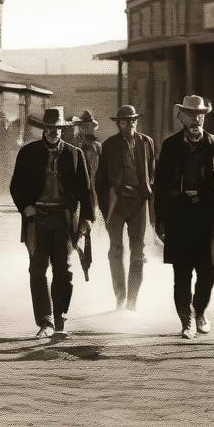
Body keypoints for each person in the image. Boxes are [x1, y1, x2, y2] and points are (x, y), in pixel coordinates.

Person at [154, 95, 214, 340]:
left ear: (204, 117)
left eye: (199, 115)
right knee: (182, 271)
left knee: (210, 270)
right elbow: (160, 185)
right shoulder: (170, 146)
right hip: (179, 214)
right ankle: (186, 321)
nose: (195, 120)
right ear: (182, 117)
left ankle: (199, 311)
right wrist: (160, 220)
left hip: (206, 215)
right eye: (190, 115)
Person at [9, 106, 95, 339]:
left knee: (64, 271)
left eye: (57, 128)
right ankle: (45, 322)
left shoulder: (74, 154)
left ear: (62, 130)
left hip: (65, 219)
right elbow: (16, 186)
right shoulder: (28, 153)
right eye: (49, 128)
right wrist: (25, 205)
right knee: (37, 270)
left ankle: (60, 319)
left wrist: (87, 218)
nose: (53, 132)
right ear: (43, 129)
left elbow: (87, 191)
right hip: (37, 219)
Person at [95, 103, 155, 311]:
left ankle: (132, 301)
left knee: (138, 252)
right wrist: (105, 209)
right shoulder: (109, 145)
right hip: (116, 203)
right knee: (116, 250)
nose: (130, 125)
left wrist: (145, 193)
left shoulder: (146, 142)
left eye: (133, 121)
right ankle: (120, 296)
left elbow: (152, 173)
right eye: (125, 122)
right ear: (118, 124)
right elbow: (100, 180)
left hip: (138, 202)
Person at [71, 110, 103, 203]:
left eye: (89, 125)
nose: (88, 128)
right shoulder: (77, 143)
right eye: (85, 125)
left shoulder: (96, 146)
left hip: (92, 181)